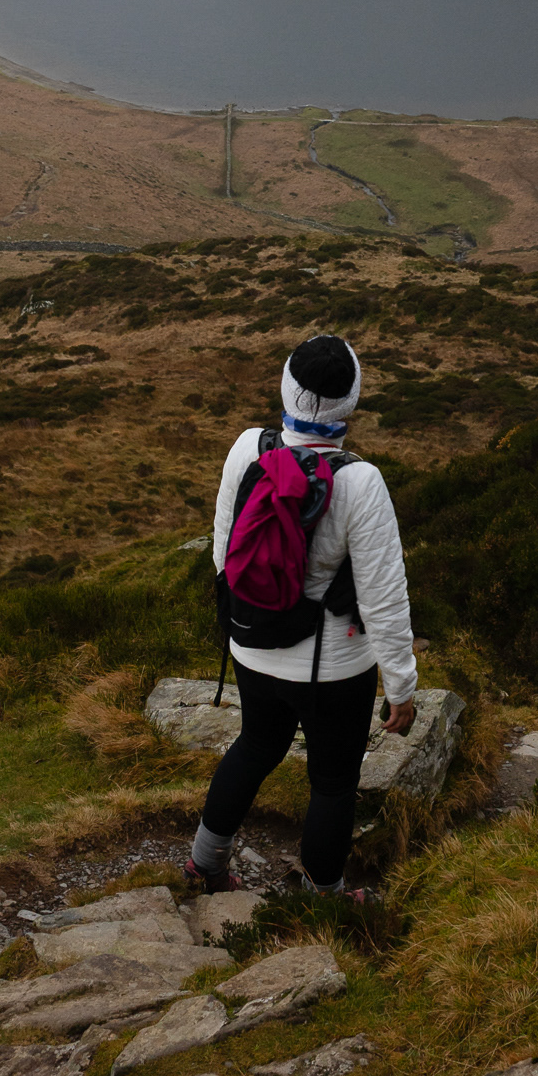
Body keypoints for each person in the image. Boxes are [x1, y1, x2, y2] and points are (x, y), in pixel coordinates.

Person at [186, 333, 417, 896]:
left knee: (256, 745)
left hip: (253, 644)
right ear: (351, 402)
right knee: (334, 783)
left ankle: (204, 865)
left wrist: (242, 627)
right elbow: (384, 597)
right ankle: (323, 899)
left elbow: (224, 553)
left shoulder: (248, 448)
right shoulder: (360, 481)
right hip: (333, 668)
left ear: (286, 387)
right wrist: (402, 687)